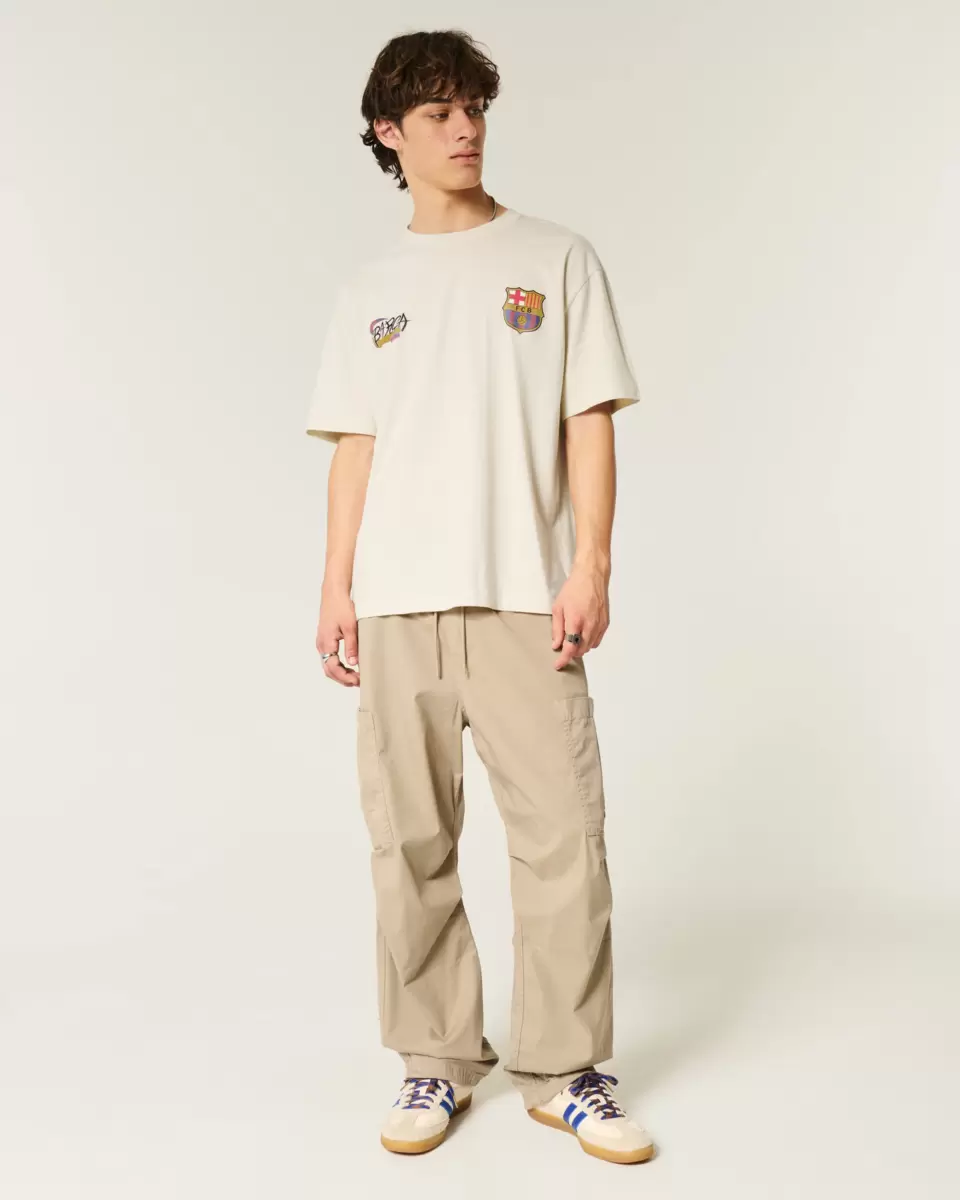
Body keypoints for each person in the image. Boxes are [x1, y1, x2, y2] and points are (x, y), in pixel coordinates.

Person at [305, 29, 655, 1166]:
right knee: (408, 842)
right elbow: (355, 445)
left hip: (521, 597)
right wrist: (335, 586)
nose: (465, 130)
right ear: (389, 134)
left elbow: (587, 419)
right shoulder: (368, 291)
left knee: (564, 840)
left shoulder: (556, 258)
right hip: (396, 603)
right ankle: (436, 1058)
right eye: (439, 114)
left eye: (475, 110)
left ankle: (565, 1070)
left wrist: (591, 564)